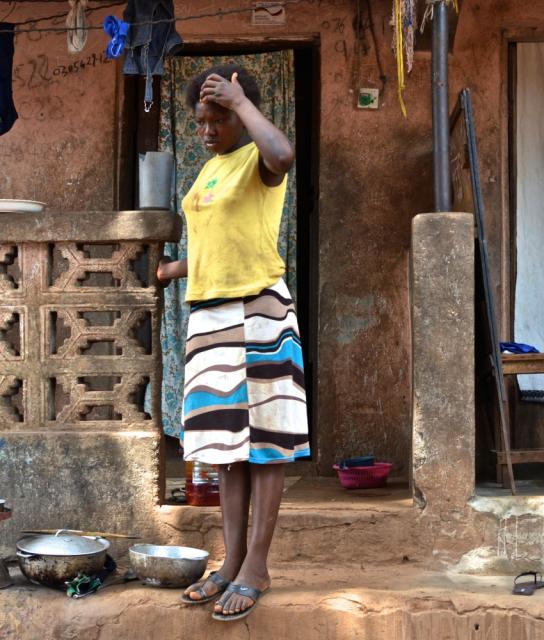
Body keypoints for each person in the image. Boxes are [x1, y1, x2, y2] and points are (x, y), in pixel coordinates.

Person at [156, 64, 308, 622]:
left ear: (240, 114)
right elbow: (219, 243)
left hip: (258, 311)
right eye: (199, 120)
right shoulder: (211, 171)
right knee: (226, 449)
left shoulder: (259, 161)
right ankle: (231, 562)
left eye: (216, 117)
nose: (205, 129)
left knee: (264, 443)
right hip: (211, 317)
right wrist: (173, 269)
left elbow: (286, 154)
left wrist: (241, 101)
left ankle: (257, 567)